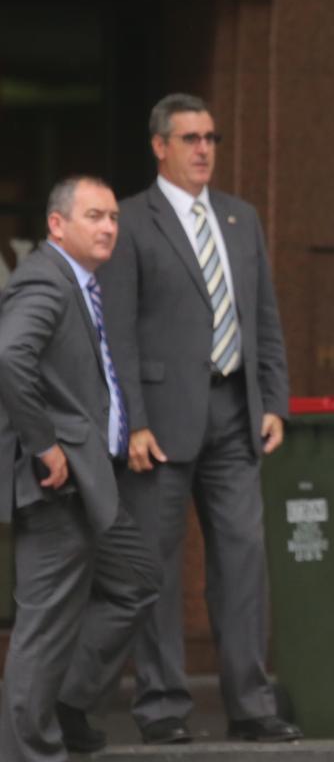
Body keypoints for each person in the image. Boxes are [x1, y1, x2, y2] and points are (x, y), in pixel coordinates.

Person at [96, 93, 298, 745]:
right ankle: (161, 709)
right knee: (154, 567)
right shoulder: (130, 220)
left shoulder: (241, 219)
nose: (205, 148)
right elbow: (118, 332)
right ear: (161, 146)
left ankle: (250, 704)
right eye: (190, 138)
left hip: (235, 411)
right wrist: (131, 421)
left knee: (243, 562)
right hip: (159, 421)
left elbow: (263, 319)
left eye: (210, 136)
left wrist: (273, 401)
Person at [0, 176, 161, 761]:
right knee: (42, 629)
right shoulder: (45, 279)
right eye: (94, 216)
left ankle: (67, 701)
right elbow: (9, 355)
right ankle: (29, 752)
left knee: (137, 579)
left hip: (90, 481)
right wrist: (44, 445)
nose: (109, 227)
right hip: (55, 485)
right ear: (57, 225)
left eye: (113, 217)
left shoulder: (79, 282)